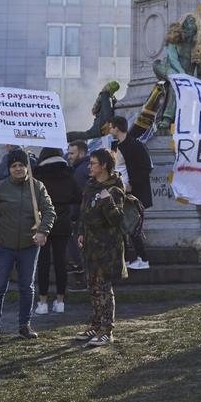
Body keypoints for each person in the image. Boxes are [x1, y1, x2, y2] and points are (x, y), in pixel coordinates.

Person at [0, 149, 56, 342]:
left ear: (27, 167)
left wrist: (43, 231)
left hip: (29, 246)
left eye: (22, 165)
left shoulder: (37, 187)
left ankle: (24, 326)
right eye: (14, 166)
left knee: (27, 287)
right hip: (3, 246)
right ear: (9, 168)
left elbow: (49, 211)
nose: (18, 169)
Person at [77, 149, 127, 347]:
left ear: (104, 165)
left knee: (104, 288)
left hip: (108, 247)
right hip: (91, 245)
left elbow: (117, 219)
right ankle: (96, 324)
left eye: (93, 163)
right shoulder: (91, 185)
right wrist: (81, 232)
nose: (90, 166)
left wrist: (107, 200)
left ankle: (107, 329)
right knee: (93, 287)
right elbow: (83, 213)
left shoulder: (115, 187)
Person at [33, 147, 80, 316]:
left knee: (43, 263)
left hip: (43, 222)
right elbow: (77, 196)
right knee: (61, 261)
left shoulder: (38, 175)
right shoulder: (68, 174)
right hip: (63, 223)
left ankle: (43, 301)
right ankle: (60, 301)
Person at [111, 116, 152, 270]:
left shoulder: (135, 145)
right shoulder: (115, 146)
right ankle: (126, 260)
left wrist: (131, 184)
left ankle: (143, 259)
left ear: (116, 128)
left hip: (133, 194)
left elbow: (146, 167)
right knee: (121, 228)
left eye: (111, 127)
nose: (109, 130)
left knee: (133, 227)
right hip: (120, 192)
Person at [67, 141, 90, 273]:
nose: (69, 156)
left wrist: (73, 216)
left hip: (81, 215)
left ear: (81, 153)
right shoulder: (84, 168)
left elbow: (78, 197)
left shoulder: (80, 171)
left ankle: (78, 265)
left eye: (72, 153)